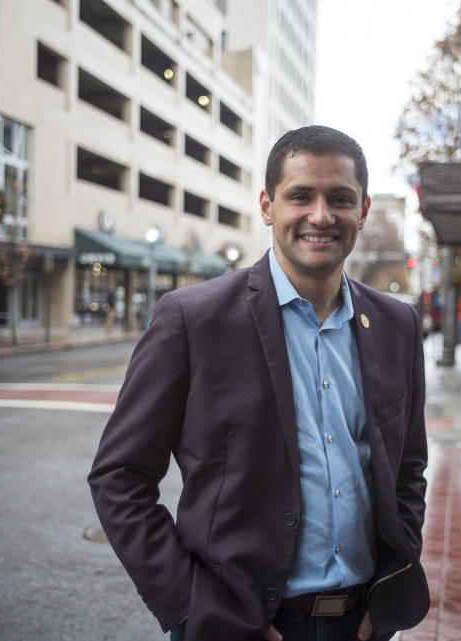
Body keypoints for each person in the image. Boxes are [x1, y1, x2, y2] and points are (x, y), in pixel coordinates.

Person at [88, 126, 429, 641]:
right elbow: (119, 477)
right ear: (268, 206)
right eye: (301, 196)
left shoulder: (396, 325)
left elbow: (408, 467)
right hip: (234, 623)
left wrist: (391, 584)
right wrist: (191, 607)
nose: (321, 215)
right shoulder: (192, 319)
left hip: (362, 623)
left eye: (340, 199)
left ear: (361, 211)